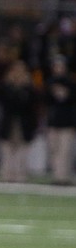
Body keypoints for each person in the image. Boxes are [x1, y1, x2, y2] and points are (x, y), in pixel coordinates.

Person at [0, 58, 40, 182]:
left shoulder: (29, 87)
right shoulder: (6, 86)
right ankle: (7, 175)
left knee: (22, 151)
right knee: (7, 150)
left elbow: (31, 105)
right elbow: (4, 103)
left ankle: (21, 176)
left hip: (23, 123)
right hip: (9, 122)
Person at [43, 54, 76, 185]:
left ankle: (64, 177)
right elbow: (45, 101)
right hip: (53, 121)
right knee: (53, 149)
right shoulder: (49, 83)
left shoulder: (70, 83)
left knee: (65, 150)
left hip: (67, 122)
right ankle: (56, 176)